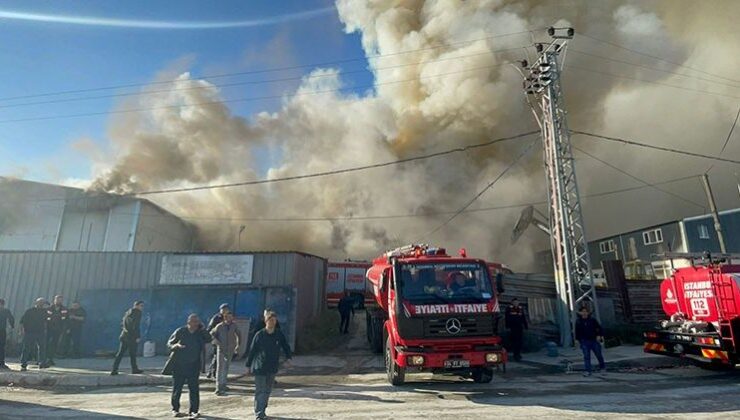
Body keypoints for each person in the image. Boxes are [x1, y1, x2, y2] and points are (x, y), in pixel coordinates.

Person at [163, 313, 211, 419]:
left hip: (194, 365)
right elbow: (169, 344)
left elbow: (209, 339)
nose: (195, 324)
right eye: (194, 321)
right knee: (177, 388)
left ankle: (194, 411)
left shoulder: (200, 333)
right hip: (179, 365)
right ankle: (175, 409)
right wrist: (176, 345)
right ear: (188, 322)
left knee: (194, 389)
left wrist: (202, 328)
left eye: (197, 322)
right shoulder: (181, 331)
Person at [246, 310, 292, 420]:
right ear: (266, 321)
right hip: (260, 367)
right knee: (260, 391)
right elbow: (252, 350)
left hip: (272, 367)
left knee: (267, 390)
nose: (272, 322)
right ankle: (259, 413)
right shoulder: (260, 335)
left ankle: (262, 409)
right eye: (270, 320)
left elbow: (286, 346)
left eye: (274, 320)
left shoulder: (278, 334)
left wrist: (288, 358)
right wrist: (248, 365)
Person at [210, 311, 241, 396]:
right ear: (225, 318)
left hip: (230, 349)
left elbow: (239, 334)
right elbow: (212, 335)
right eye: (228, 317)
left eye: (231, 317)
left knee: (226, 367)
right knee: (220, 368)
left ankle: (223, 384)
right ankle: (218, 388)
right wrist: (217, 342)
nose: (230, 319)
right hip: (221, 349)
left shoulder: (234, 326)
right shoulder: (219, 326)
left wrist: (238, 345)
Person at [111, 301, 144, 375]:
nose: (142, 308)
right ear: (136, 306)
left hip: (124, 336)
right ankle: (134, 369)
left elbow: (123, 324)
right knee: (133, 354)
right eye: (141, 306)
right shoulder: (137, 313)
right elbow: (136, 326)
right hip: (132, 337)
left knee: (120, 353)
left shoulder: (128, 312)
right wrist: (138, 336)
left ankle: (114, 369)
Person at [575, 306, 606, 376]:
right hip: (584, 341)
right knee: (586, 356)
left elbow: (599, 328)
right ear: (580, 313)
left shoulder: (592, 320)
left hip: (593, 340)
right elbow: (577, 332)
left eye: (585, 311)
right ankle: (588, 370)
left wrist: (599, 335)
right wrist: (577, 340)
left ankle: (602, 368)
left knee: (598, 355)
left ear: (588, 313)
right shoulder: (578, 321)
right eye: (582, 311)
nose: (584, 313)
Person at [20, 298, 49, 371]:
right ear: (36, 303)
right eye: (40, 302)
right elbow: (22, 321)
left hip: (40, 332)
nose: (41, 304)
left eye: (42, 303)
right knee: (26, 348)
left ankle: (42, 363)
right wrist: (22, 331)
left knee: (42, 348)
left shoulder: (45, 312)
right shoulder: (30, 311)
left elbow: (46, 322)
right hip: (29, 332)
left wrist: (45, 330)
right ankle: (23, 364)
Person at [206, 303, 230, 379]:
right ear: (220, 310)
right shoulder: (216, 318)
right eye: (223, 309)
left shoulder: (228, 317)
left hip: (225, 340)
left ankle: (210, 372)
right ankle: (214, 373)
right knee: (217, 356)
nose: (225, 311)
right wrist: (212, 338)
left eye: (226, 309)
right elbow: (209, 328)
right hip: (216, 339)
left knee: (218, 356)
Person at [45, 295, 68, 366]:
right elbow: (46, 318)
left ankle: (50, 359)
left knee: (54, 344)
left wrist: (65, 328)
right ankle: (42, 359)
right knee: (45, 343)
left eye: (60, 300)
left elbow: (66, 320)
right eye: (58, 299)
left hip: (58, 329)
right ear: (54, 300)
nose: (59, 301)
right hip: (48, 329)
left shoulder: (64, 309)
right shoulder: (49, 309)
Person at [0, 298, 15, 370]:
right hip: (2, 331)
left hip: (2, 330)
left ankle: (1, 363)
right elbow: (11, 319)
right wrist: (12, 326)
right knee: (2, 347)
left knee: (2, 347)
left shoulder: (5, 311)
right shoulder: (6, 311)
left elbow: (11, 319)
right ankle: (1, 363)